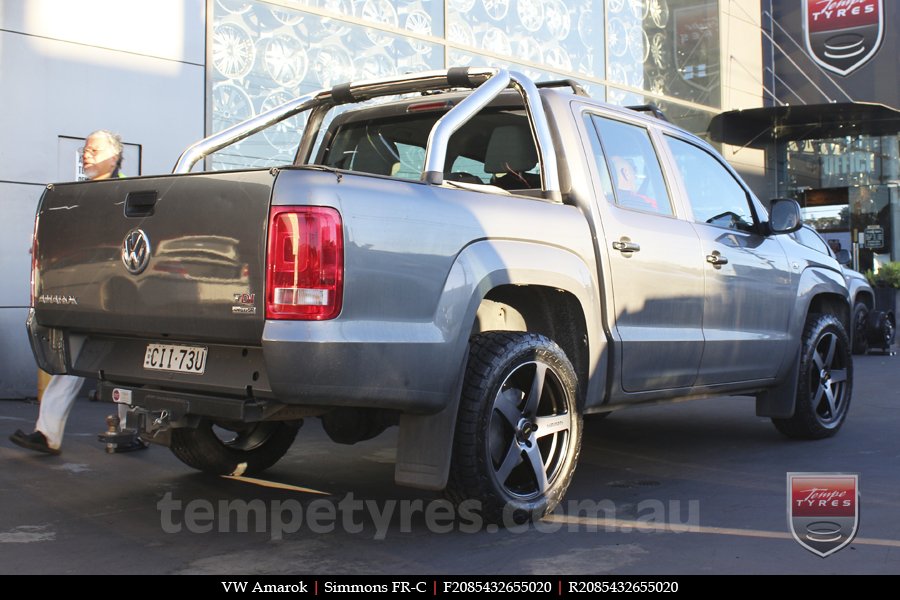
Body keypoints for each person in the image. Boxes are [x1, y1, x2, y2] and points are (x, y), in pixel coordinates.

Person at [10, 130, 146, 455]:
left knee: (126, 366)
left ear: (113, 157)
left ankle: (131, 432)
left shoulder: (130, 193)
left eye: (93, 149)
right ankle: (47, 434)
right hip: (89, 296)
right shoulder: (82, 194)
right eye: (84, 149)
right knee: (69, 363)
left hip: (119, 296)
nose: (85, 154)